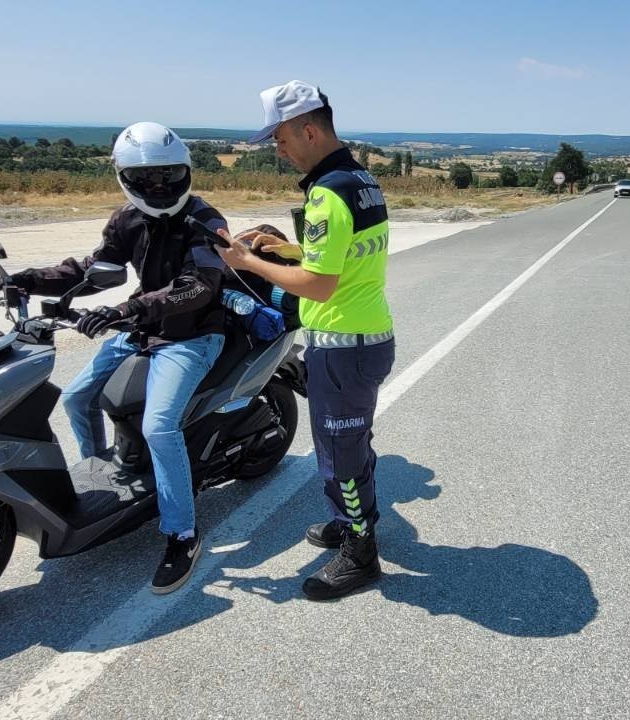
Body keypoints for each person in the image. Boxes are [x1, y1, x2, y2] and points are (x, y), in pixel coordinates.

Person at [0, 122, 228, 594]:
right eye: (146, 179)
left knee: (160, 426)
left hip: (193, 335)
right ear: (125, 178)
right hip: (141, 325)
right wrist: (28, 280)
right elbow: (97, 271)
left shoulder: (205, 219)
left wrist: (129, 309)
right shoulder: (125, 221)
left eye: (168, 176)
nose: (159, 187)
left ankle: (182, 532)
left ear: (186, 173)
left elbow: (201, 286)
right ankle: (105, 477)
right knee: (76, 398)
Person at [219, 81, 396, 601]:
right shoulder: (359, 179)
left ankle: (362, 555)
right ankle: (351, 521)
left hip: (345, 342)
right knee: (346, 444)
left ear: (309, 129)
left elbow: (321, 284)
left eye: (279, 138)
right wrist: (290, 248)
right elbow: (346, 253)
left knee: (341, 453)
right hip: (362, 335)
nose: (278, 148)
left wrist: (250, 261)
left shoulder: (326, 193)